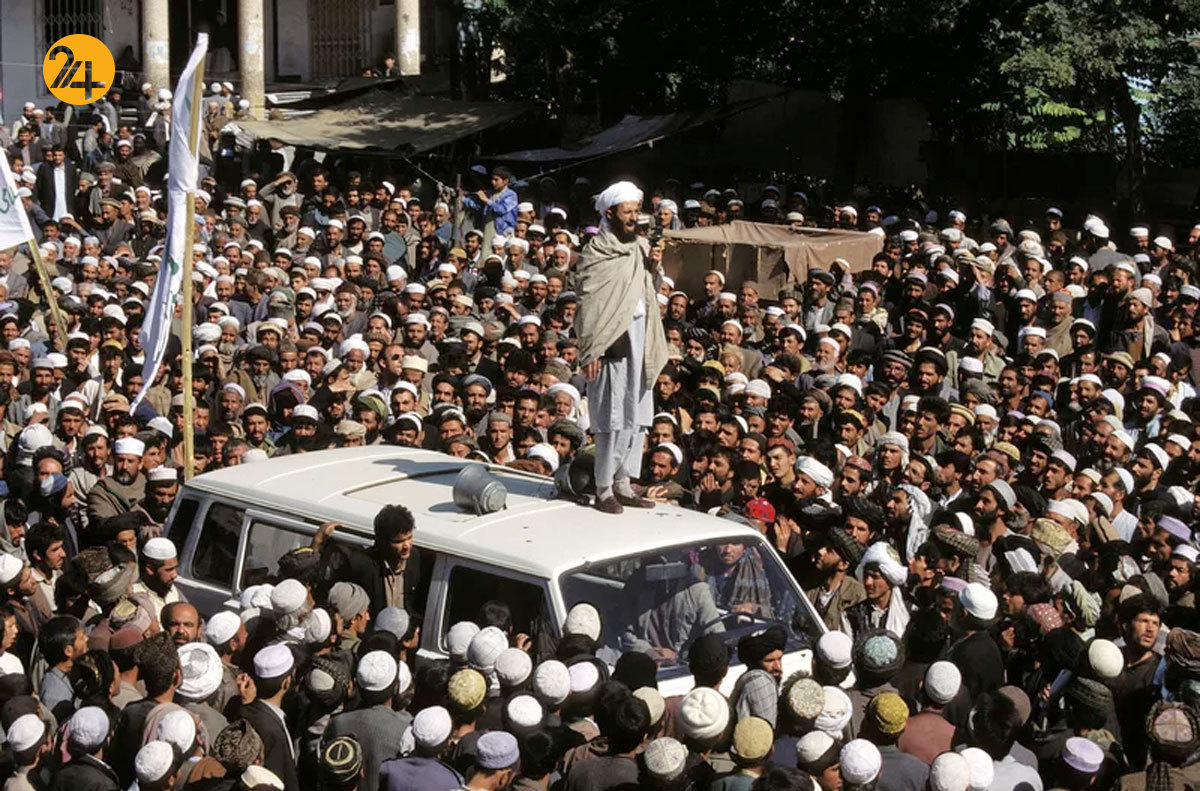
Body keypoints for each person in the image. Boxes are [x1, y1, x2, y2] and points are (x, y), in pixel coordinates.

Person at [575, 181, 668, 513]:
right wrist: (593, 348)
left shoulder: (641, 247)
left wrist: (653, 267)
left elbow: (648, 289)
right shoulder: (596, 252)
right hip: (611, 337)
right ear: (611, 213)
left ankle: (623, 481)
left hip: (642, 333)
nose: (632, 218)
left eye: (635, 211)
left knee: (637, 413)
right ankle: (603, 487)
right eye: (626, 212)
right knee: (612, 414)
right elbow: (588, 303)